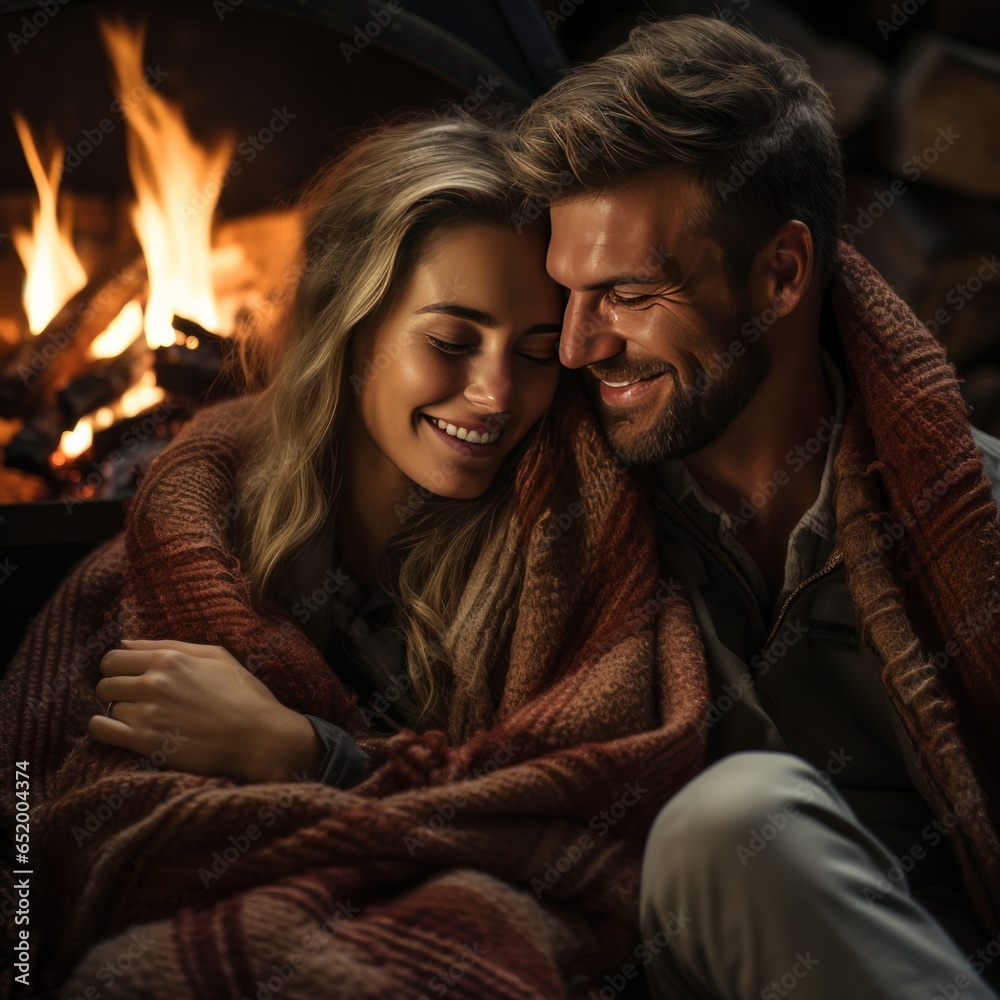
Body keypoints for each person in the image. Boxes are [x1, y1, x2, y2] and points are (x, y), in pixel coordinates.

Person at [0, 111, 708, 999]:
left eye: (535, 354)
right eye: (450, 342)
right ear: (352, 326)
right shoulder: (204, 526)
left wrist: (311, 756)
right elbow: (45, 825)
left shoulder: (571, 540)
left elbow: (585, 825)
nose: (494, 397)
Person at [509, 14, 1000, 1000]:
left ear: (779, 274)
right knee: (727, 826)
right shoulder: (542, 517)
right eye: (566, 293)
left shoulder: (976, 517)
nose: (575, 346)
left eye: (626, 294)